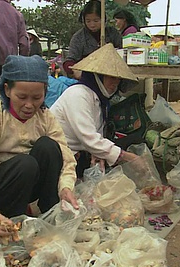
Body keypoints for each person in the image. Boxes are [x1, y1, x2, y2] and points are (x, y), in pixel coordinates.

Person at [0, 55, 78, 240]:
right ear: (7, 90)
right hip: (2, 186)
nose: (29, 105)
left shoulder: (45, 117)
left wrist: (66, 188)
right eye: (22, 97)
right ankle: (10, 224)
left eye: (37, 98)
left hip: (29, 181)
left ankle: (49, 215)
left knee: (49, 147)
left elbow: (67, 160)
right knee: (26, 164)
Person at [51, 44, 140, 178]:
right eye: (110, 77)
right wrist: (129, 157)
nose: (115, 83)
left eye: (117, 78)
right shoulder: (78, 95)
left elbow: (97, 136)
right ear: (97, 77)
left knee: (135, 140)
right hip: (63, 156)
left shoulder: (99, 100)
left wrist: (99, 154)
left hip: (83, 151)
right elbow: (90, 138)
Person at [63, 0, 122, 80]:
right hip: (87, 79)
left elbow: (122, 52)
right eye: (88, 21)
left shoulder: (113, 33)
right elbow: (69, 61)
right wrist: (74, 69)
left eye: (96, 21)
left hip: (111, 77)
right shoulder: (78, 37)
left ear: (104, 19)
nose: (92, 25)